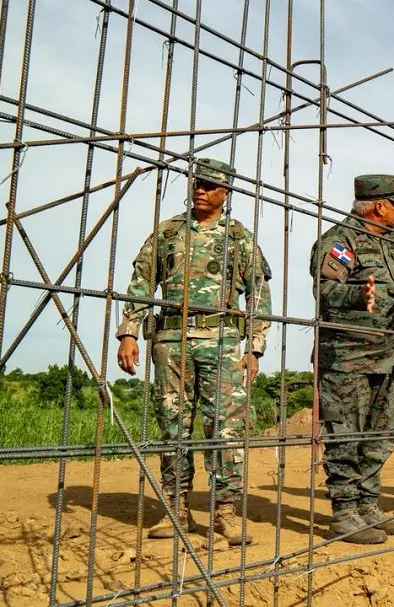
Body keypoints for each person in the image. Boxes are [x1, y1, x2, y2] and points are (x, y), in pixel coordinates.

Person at [116, 158, 273, 546]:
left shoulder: (238, 238)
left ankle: (225, 513)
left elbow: (259, 296)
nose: (200, 190)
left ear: (226, 192)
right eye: (196, 184)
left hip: (221, 342)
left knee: (226, 428)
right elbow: (141, 282)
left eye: (209, 185)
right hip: (172, 342)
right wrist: (128, 333)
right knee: (173, 426)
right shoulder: (168, 232)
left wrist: (254, 349)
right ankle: (176, 509)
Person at [310, 174, 394, 544]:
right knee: (345, 436)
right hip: (347, 359)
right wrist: (357, 296)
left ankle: (368, 505)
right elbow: (325, 288)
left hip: (387, 357)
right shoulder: (340, 242)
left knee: (380, 435)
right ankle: (345, 512)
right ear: (379, 206)